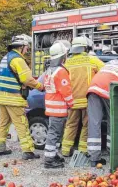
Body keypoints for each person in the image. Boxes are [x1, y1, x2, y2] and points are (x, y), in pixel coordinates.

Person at [0, 34, 44, 160]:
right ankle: (28, 151)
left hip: (2, 96)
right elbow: (26, 79)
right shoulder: (18, 60)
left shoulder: (6, 57)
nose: (27, 50)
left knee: (3, 123)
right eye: (26, 47)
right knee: (22, 123)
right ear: (21, 46)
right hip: (13, 97)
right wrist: (40, 86)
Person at [61, 36, 105, 157]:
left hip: (72, 101)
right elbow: (105, 72)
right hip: (87, 100)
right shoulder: (92, 60)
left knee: (70, 125)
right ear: (84, 47)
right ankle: (82, 150)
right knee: (87, 125)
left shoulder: (67, 63)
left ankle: (65, 150)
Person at [42, 41, 74, 169]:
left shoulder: (49, 70)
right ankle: (49, 160)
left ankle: (53, 155)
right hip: (58, 109)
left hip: (51, 108)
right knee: (54, 134)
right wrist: (71, 103)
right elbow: (66, 90)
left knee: (55, 133)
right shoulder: (61, 71)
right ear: (62, 56)